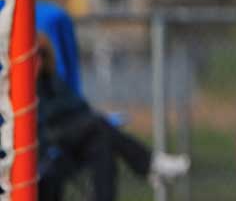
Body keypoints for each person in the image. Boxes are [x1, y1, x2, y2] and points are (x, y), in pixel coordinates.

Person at [36, 35, 190, 201]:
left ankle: (146, 167)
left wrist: (82, 120)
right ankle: (149, 164)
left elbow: (79, 106)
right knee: (99, 128)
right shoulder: (23, 87)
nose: (37, 61)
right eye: (33, 56)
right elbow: (46, 116)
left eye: (41, 54)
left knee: (101, 142)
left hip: (66, 145)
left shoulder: (51, 82)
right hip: (45, 144)